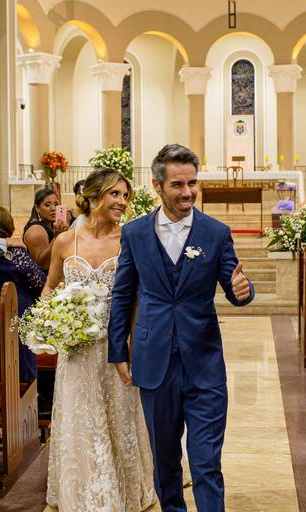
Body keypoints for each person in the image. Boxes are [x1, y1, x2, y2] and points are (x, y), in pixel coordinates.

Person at [108, 144, 254, 511]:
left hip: (204, 363)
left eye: (192, 183)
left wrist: (243, 291)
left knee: (206, 463)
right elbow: (122, 294)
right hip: (153, 360)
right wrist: (118, 350)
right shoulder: (135, 234)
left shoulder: (216, 233)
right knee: (165, 464)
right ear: (157, 185)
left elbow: (235, 285)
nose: (188, 192)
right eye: (178, 184)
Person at [42, 168, 157, 511]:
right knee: (80, 418)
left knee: (118, 418)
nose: (122, 202)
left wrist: (133, 347)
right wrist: (49, 322)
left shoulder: (129, 240)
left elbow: (137, 300)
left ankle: (123, 489)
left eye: (125, 195)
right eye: (114, 194)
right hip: (76, 349)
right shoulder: (65, 241)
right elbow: (51, 286)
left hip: (114, 345)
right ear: (93, 196)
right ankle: (82, 491)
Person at [0, 204, 46, 382]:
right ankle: (24, 388)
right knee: (21, 361)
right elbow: (39, 282)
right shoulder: (16, 252)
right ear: (9, 226)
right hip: (17, 313)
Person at [22, 188, 69, 270]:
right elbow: (42, 265)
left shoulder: (51, 224)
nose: (53, 208)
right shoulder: (36, 230)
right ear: (37, 208)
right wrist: (57, 237)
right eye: (47, 205)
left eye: (56, 204)